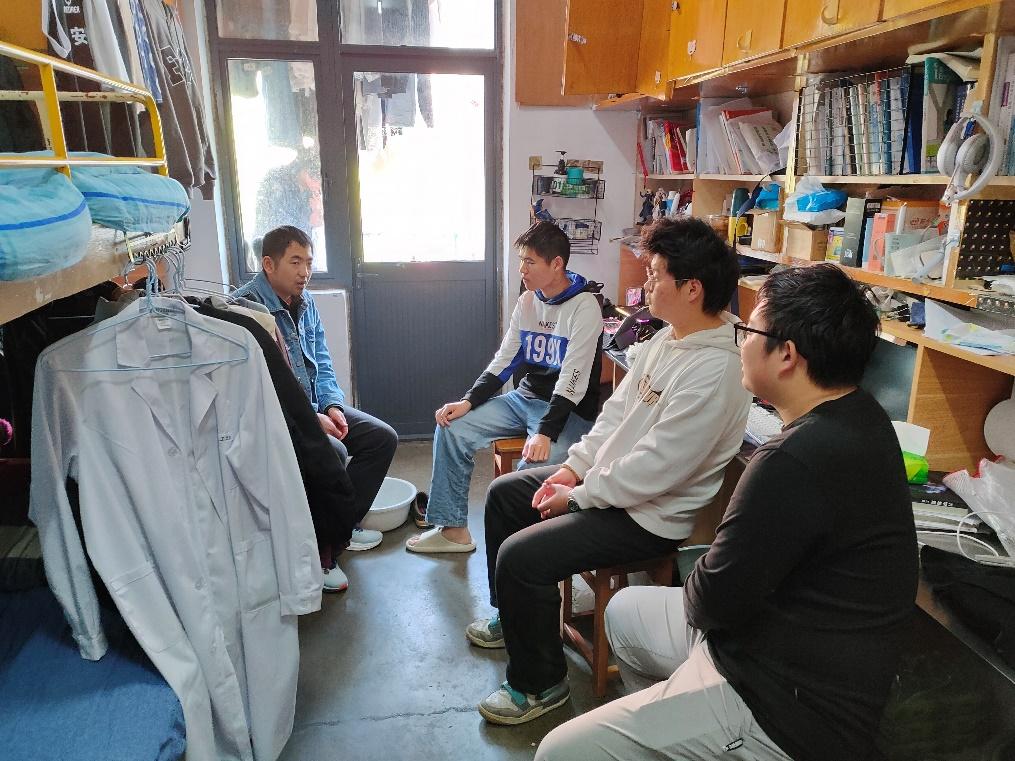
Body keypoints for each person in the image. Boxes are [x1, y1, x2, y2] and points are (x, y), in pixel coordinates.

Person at [536, 264, 919, 761]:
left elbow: (709, 603)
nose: (741, 343)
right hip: (769, 635)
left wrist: (710, 563)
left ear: (787, 355)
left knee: (559, 751)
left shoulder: (793, 460)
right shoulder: (862, 416)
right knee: (625, 613)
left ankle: (707, 732)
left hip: (783, 703)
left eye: (750, 332)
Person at [468, 217, 751, 725]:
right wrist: (573, 469)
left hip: (648, 516)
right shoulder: (669, 338)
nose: (646, 282)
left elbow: (656, 469)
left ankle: (540, 685)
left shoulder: (717, 369)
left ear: (692, 289)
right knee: (506, 495)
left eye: (655, 274)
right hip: (612, 487)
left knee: (522, 557)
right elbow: (614, 416)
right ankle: (512, 617)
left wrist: (577, 496)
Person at [406, 222, 604, 554]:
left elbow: (574, 379)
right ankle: (452, 531)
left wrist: (545, 432)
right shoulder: (527, 301)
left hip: (568, 413)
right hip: (525, 399)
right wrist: (468, 402)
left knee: (528, 473)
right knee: (452, 427)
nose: (521, 269)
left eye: (530, 262)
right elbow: (504, 360)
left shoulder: (585, 307)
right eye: (521, 260)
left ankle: (519, 552)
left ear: (557, 264)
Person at [234, 225, 398, 592]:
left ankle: (340, 530)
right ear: (268, 264)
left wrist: (333, 406)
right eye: (295, 262)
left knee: (381, 438)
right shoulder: (246, 310)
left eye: (308, 262)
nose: (304, 272)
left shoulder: (305, 303)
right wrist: (312, 418)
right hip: (278, 418)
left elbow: (321, 362)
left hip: (313, 409)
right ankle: (321, 557)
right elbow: (263, 388)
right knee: (333, 451)